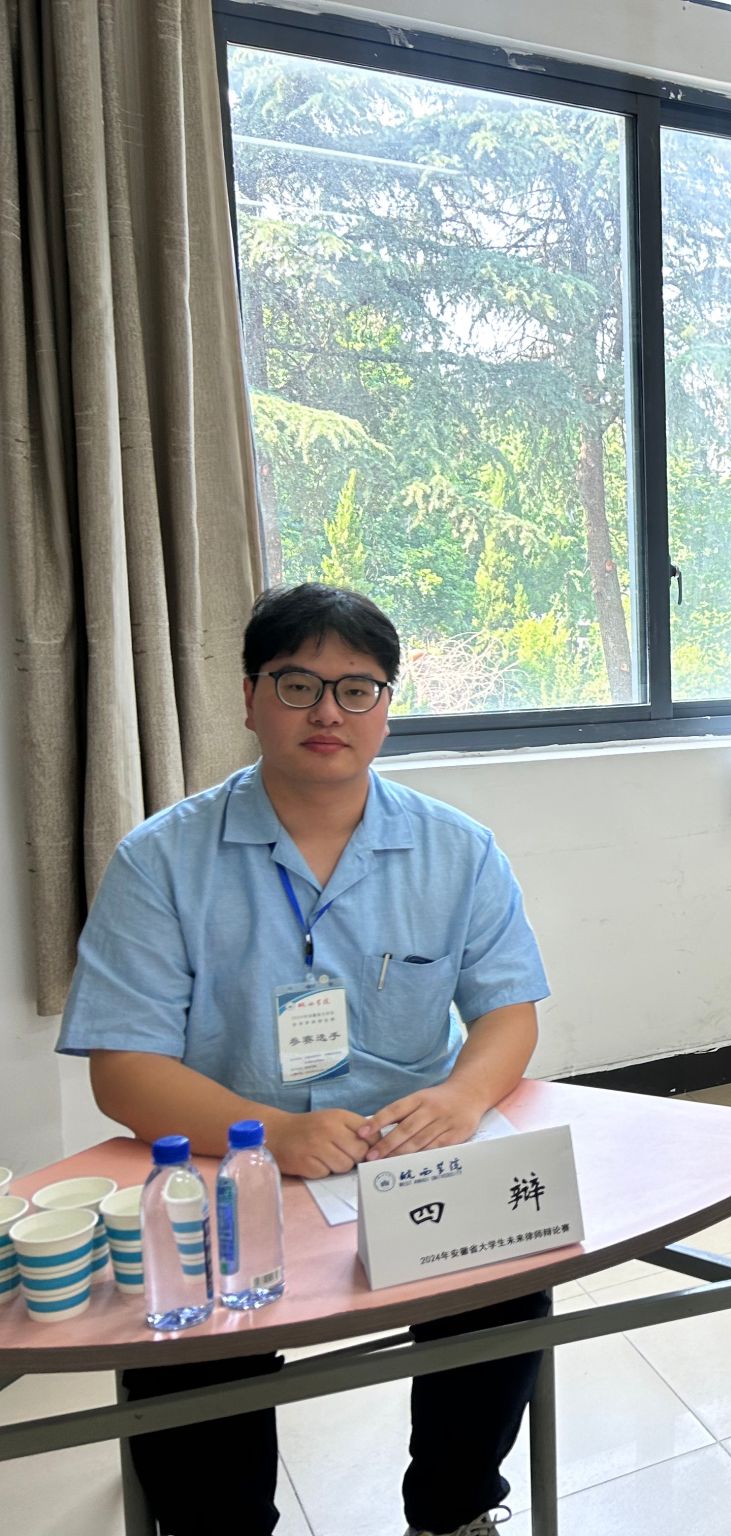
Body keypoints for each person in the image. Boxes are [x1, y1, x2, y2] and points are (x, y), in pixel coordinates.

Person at [58, 583, 552, 1536]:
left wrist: (461, 1097)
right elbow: (123, 1067)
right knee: (189, 1338)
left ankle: (453, 1511)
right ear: (250, 698)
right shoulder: (160, 862)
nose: (329, 712)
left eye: (357, 689)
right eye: (298, 685)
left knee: (508, 1286)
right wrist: (273, 1134)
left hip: (407, 1156)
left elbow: (508, 1014)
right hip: (226, 1160)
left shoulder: (458, 850)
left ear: (386, 708)